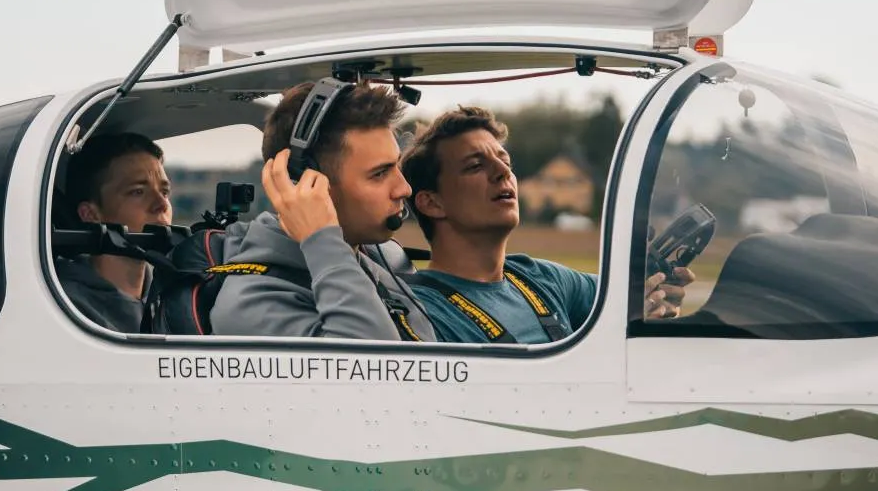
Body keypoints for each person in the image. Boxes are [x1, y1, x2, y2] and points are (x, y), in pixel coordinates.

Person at [399, 106, 689, 344]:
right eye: (475, 166)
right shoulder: (424, 312)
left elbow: (625, 297)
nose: (503, 172)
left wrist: (657, 295)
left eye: (505, 161)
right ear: (431, 203)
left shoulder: (539, 277)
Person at [211, 82, 435, 341]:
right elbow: (374, 368)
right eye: (380, 173)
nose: (404, 189)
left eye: (396, 166)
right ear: (305, 184)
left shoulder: (376, 261)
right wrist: (321, 240)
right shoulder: (250, 306)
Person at [55, 132, 173, 332]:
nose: (161, 204)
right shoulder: (64, 309)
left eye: (164, 192)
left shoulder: (175, 296)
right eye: (138, 192)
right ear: (90, 214)